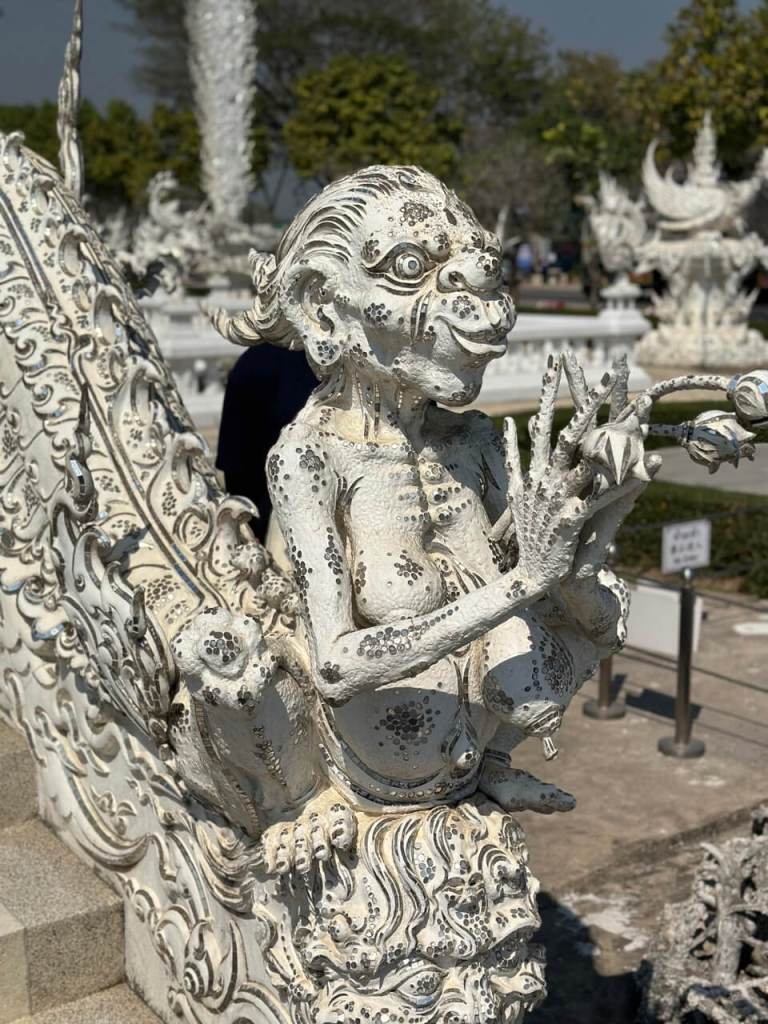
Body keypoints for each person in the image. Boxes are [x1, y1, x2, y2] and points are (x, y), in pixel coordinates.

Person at [216, 344, 316, 541]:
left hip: (267, 519)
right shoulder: (341, 361)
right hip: (305, 518)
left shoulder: (252, 363)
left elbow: (233, 468)